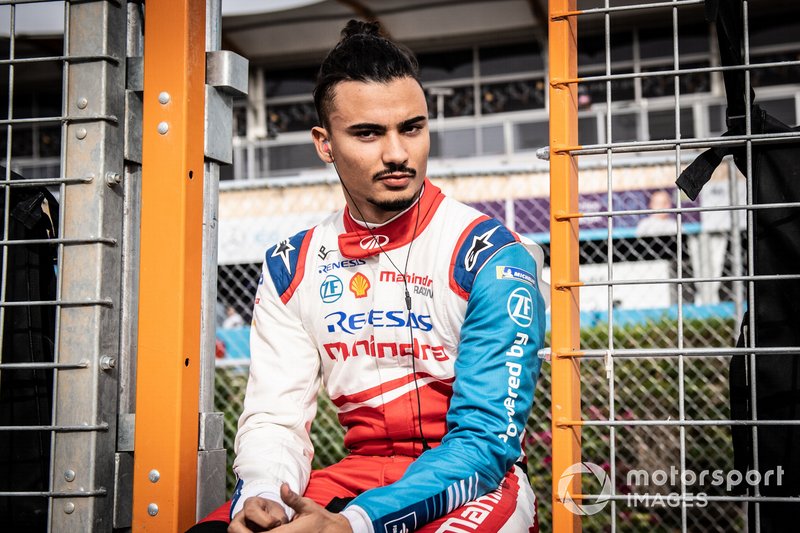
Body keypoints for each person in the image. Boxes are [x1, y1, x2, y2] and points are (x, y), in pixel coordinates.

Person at [190, 20, 546, 533]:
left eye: (412, 128)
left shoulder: (491, 254)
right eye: (368, 133)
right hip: (355, 477)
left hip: (477, 483)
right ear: (324, 143)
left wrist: (355, 525)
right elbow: (276, 419)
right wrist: (264, 495)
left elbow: (485, 443)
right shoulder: (293, 265)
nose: (398, 153)